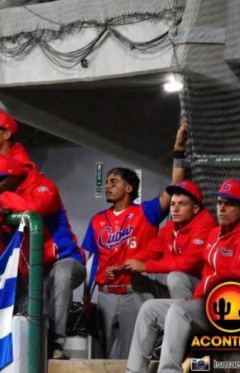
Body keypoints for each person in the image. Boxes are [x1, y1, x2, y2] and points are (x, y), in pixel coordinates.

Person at [126, 179, 240, 373]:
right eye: (220, 202)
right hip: (209, 303)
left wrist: (200, 298)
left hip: (234, 311)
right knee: (149, 309)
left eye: (229, 204)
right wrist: (197, 297)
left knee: (179, 310)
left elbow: (239, 282)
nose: (221, 208)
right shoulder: (215, 234)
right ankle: (134, 370)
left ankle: (169, 370)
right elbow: (207, 272)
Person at [81, 122, 188, 359]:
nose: (108, 186)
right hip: (106, 293)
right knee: (107, 356)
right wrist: (86, 298)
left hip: (135, 291)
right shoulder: (98, 220)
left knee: (136, 353)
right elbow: (92, 261)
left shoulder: (146, 212)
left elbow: (176, 188)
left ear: (129, 188)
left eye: (114, 182)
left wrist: (178, 151)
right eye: (107, 182)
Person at [0, 154, 86, 360]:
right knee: (27, 308)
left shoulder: (43, 186)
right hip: (34, 269)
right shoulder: (2, 194)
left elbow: (35, 207)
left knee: (61, 276)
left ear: (15, 178)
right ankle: (38, 348)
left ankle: (56, 343)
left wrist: (3, 200)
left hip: (66, 259)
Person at [124, 180, 217, 299]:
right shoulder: (172, 225)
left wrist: (146, 266)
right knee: (139, 278)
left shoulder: (206, 226)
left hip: (201, 287)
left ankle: (183, 315)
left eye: (182, 204)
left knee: (175, 277)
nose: (175, 209)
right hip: (178, 282)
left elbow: (187, 264)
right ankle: (162, 312)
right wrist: (126, 265)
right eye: (172, 204)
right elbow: (152, 249)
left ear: (195, 208)